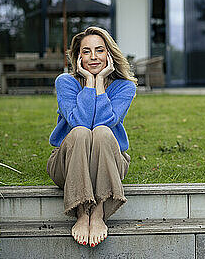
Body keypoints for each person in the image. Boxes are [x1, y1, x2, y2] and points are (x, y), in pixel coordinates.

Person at [46, 26, 137, 248]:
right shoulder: (65, 82)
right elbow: (80, 122)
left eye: (99, 50)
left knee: (103, 132)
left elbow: (104, 122)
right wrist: (89, 81)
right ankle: (80, 211)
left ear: (110, 54)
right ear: (78, 57)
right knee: (80, 132)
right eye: (86, 52)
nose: (93, 57)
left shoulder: (124, 87)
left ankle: (98, 213)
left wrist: (100, 84)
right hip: (67, 161)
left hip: (110, 160)